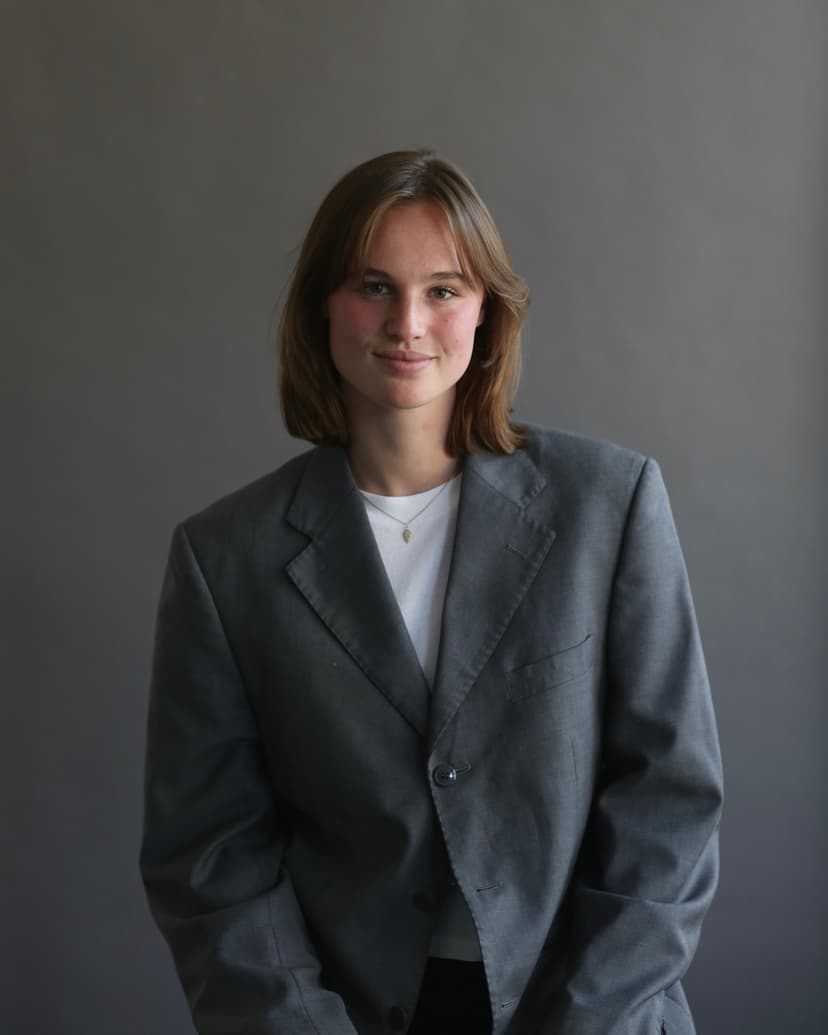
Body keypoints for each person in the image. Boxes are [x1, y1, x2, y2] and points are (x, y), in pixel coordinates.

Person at [140, 149, 723, 1035]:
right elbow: (211, 860)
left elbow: (668, 798)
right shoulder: (225, 559)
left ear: (487, 311)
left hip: (590, 1010)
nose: (407, 322)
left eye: (444, 289)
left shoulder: (609, 504)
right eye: (373, 286)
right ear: (322, 308)